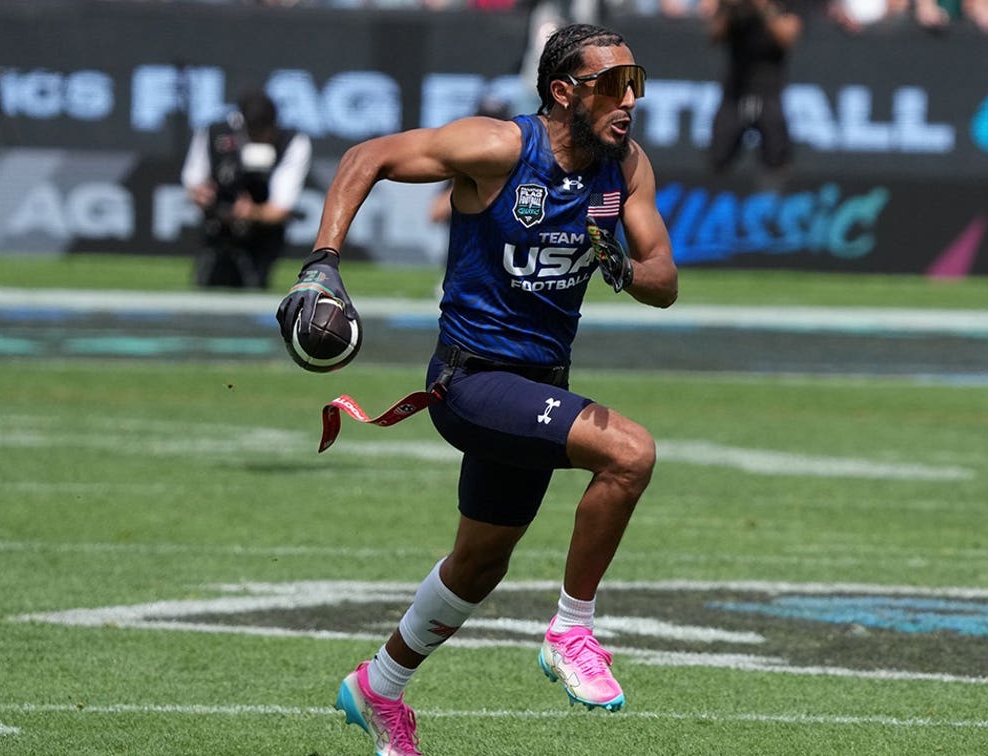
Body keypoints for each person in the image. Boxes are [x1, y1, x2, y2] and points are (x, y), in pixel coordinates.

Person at [276, 23, 677, 756]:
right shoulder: (500, 148)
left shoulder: (625, 166)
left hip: (539, 384)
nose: (630, 100)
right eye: (614, 85)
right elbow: (368, 157)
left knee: (479, 564)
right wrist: (323, 261)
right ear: (564, 92)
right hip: (472, 380)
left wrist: (616, 265)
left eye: (636, 83)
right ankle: (572, 631)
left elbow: (664, 280)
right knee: (630, 453)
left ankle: (378, 686)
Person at [181, 89, 311, 289]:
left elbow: (281, 208)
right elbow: (193, 181)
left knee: (255, 284)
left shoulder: (291, 142)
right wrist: (203, 195)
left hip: (264, 235)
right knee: (209, 284)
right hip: (217, 230)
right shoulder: (215, 133)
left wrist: (252, 212)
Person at [702, 0, 804, 188]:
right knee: (718, 156)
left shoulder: (783, 5)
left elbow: (788, 37)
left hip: (769, 92)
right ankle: (718, 198)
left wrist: (762, 7)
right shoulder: (734, 6)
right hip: (735, 91)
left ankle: (774, 199)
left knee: (777, 157)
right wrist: (729, 8)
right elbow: (713, 36)